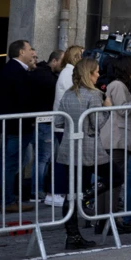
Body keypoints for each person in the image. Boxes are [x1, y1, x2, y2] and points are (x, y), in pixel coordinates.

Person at [56, 58, 118, 251]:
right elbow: (96, 124)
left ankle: (72, 236)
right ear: (88, 74)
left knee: (72, 192)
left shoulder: (68, 94)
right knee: (115, 176)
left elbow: (58, 122)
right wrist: (108, 109)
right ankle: (84, 199)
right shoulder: (94, 95)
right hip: (89, 148)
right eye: (96, 71)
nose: (99, 75)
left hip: (68, 148)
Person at [0, 40, 38, 213]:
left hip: (10, 125)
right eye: (30, 49)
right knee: (10, 164)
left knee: (3, 163)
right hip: (18, 126)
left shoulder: (9, 69)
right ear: (21, 52)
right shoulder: (17, 72)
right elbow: (24, 100)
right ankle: (8, 201)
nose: (32, 52)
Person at [103, 55, 131, 232]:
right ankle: (109, 219)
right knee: (114, 181)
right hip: (117, 139)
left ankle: (105, 219)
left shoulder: (116, 85)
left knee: (111, 180)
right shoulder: (118, 85)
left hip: (116, 138)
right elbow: (122, 109)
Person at [47, 45, 84, 207]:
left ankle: (61, 191)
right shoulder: (69, 73)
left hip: (66, 124)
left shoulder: (68, 72)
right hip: (65, 124)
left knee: (66, 160)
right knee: (63, 161)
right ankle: (55, 192)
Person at [27, 50, 62, 207]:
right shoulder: (47, 77)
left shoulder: (39, 73)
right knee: (42, 158)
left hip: (42, 121)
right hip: (44, 121)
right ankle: (37, 191)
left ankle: (39, 190)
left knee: (43, 158)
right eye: (61, 62)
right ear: (54, 61)